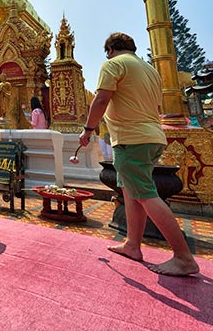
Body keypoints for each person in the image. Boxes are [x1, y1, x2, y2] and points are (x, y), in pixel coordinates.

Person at [79, 32, 199, 276]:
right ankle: (133, 244)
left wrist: (88, 129)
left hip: (132, 138)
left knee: (144, 194)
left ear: (110, 49)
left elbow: (101, 99)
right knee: (131, 192)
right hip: (152, 136)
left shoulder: (113, 64)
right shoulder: (149, 70)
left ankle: (183, 257)